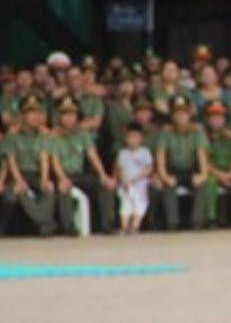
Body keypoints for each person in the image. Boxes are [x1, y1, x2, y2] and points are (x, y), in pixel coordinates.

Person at [48, 96, 118, 234]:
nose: (68, 118)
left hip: (79, 174)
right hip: (60, 175)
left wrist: (103, 175)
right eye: (65, 114)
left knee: (104, 185)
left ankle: (108, 223)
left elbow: (93, 156)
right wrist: (62, 178)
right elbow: (54, 161)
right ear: (59, 117)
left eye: (72, 114)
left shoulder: (82, 134)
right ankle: (69, 227)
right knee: (64, 188)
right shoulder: (53, 136)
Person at [0, 95, 57, 236]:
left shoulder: (43, 135)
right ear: (23, 115)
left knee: (48, 188)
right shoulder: (12, 136)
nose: (35, 117)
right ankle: (45, 223)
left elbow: (44, 158)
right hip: (17, 174)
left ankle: (43, 224)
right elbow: (11, 161)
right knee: (21, 191)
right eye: (31, 113)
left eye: (38, 113)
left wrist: (44, 179)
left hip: (36, 174)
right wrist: (19, 180)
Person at [156, 95, 211, 230]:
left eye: (184, 113)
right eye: (178, 113)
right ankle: (172, 223)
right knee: (168, 185)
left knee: (201, 184)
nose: (181, 116)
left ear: (189, 115)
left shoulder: (197, 131)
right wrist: (164, 176)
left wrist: (203, 174)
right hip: (173, 168)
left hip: (190, 168)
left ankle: (196, 222)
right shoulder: (166, 131)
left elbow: (201, 154)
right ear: (173, 115)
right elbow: (161, 155)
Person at [201, 101, 231, 227]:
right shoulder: (203, 137)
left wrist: (230, 175)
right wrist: (221, 175)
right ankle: (211, 218)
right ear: (208, 119)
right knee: (209, 182)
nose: (216, 121)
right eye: (213, 118)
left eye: (220, 118)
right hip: (213, 171)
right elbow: (204, 162)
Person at [115, 123, 154, 233]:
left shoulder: (144, 152)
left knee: (140, 204)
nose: (133, 140)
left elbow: (149, 168)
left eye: (136, 137)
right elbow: (119, 168)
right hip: (125, 183)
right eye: (130, 137)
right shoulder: (122, 153)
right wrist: (124, 180)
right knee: (126, 205)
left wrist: (137, 178)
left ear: (141, 139)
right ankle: (124, 226)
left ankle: (135, 226)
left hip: (140, 184)